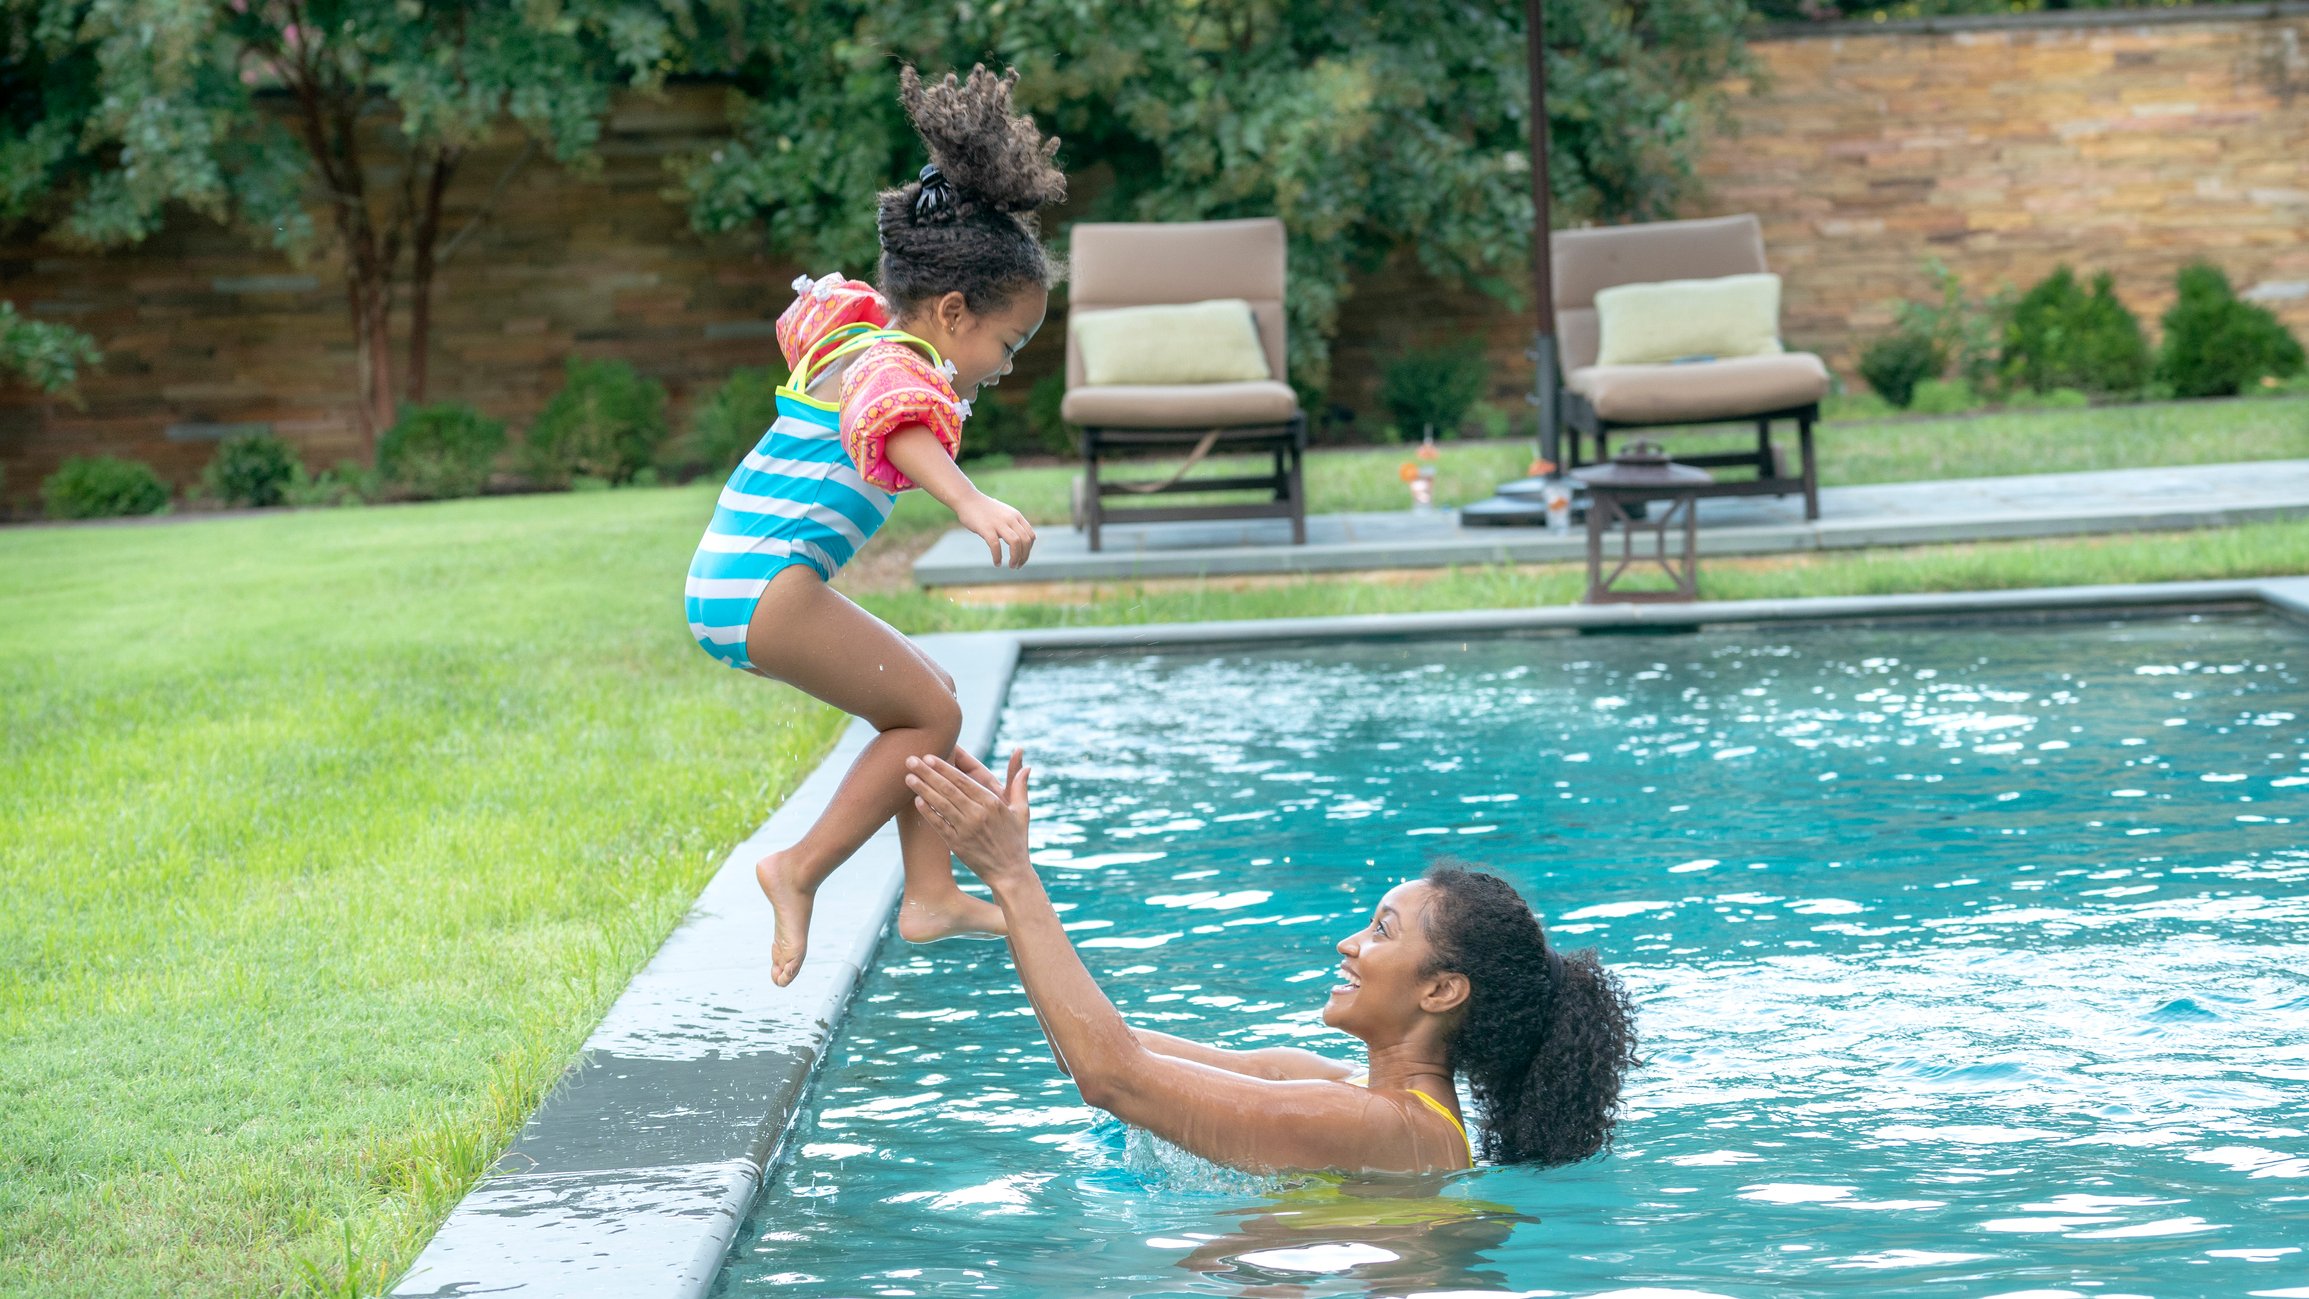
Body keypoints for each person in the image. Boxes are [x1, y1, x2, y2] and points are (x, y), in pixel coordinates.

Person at [683, 67, 1065, 986]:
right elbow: (891, 418)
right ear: (950, 312)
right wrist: (969, 502)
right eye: (1005, 346)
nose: (1005, 369)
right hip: (763, 585)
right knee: (927, 711)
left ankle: (928, 894)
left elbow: (836, 357)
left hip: (749, 579)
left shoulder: (863, 340)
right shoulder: (894, 363)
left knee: (930, 708)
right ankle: (797, 868)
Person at [902, 748, 1642, 1174]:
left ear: (1443, 988)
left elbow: (1111, 1077)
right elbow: (1089, 1052)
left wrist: (1015, 877)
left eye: (1382, 931)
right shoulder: (1337, 1087)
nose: (1349, 944)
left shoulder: (1377, 1126)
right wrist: (1000, 911)